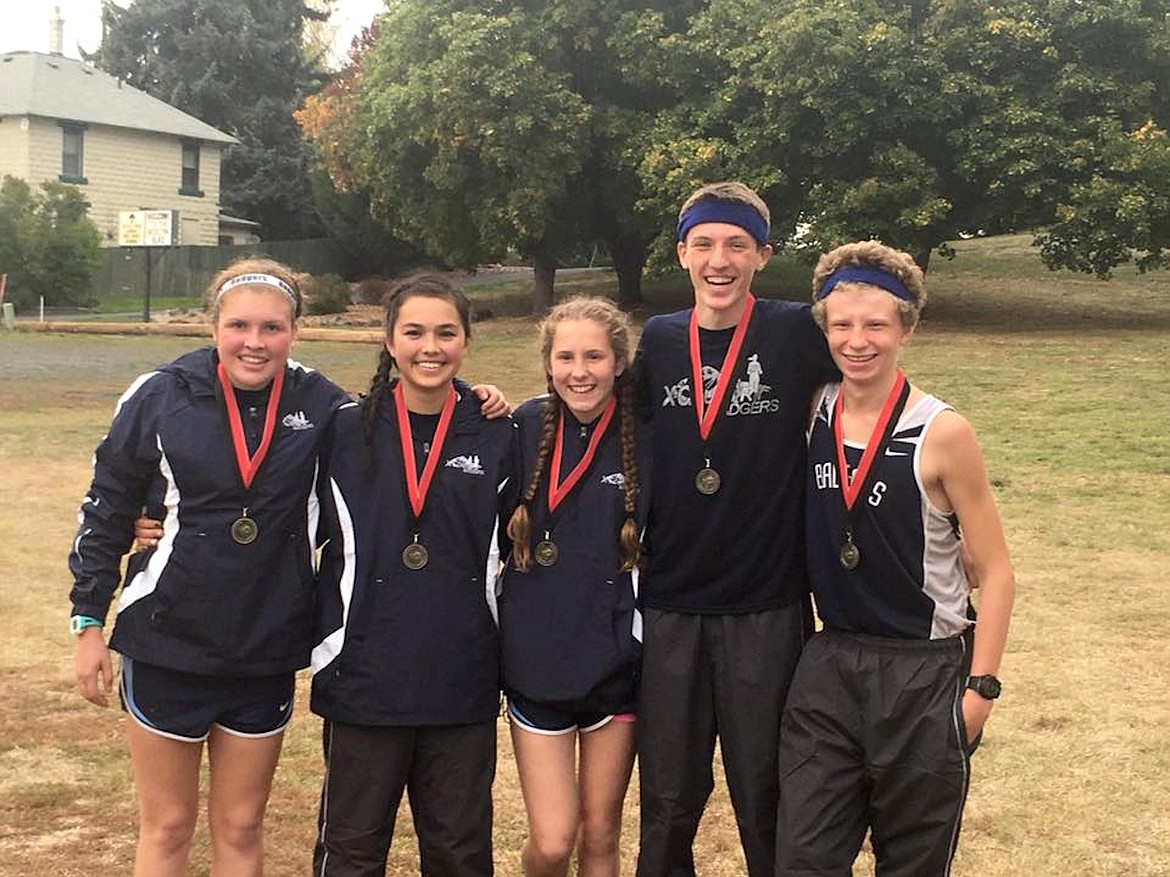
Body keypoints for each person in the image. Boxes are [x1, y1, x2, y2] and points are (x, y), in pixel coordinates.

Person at [68, 259, 353, 877]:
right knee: (168, 827)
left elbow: (399, 442)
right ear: (213, 325)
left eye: (272, 328)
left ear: (295, 331)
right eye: (239, 325)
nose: (255, 342)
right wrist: (88, 621)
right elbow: (106, 506)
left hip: (266, 645)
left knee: (242, 826)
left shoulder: (325, 404)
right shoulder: (160, 394)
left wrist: (476, 400)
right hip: (169, 639)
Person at [775, 241, 1015, 875]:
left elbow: (995, 570)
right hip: (831, 661)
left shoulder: (942, 432)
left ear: (906, 329)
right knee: (803, 856)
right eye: (843, 324)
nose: (858, 340)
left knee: (910, 862)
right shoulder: (813, 409)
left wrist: (980, 690)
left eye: (876, 324)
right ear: (824, 327)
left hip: (924, 669)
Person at [633, 182, 839, 877]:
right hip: (670, 603)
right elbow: (597, 411)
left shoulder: (792, 330)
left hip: (766, 604)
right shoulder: (661, 340)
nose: (719, 260)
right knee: (666, 796)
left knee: (765, 793)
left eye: (737, 245)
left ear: (762, 254)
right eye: (705, 243)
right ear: (682, 252)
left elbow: (870, 357)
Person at [310, 272, 515, 877]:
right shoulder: (343, 431)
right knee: (352, 849)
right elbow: (274, 507)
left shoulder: (499, 431)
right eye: (415, 332)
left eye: (446, 332)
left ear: (467, 342)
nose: (431, 346)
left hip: (462, 677)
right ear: (389, 340)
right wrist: (154, 516)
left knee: (459, 854)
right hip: (363, 675)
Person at [501, 296, 646, 877]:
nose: (579, 371)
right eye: (566, 357)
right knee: (555, 839)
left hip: (616, 673)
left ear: (618, 363)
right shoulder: (521, 426)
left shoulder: (646, 438)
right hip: (537, 667)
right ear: (548, 363)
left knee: (601, 836)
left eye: (594, 356)